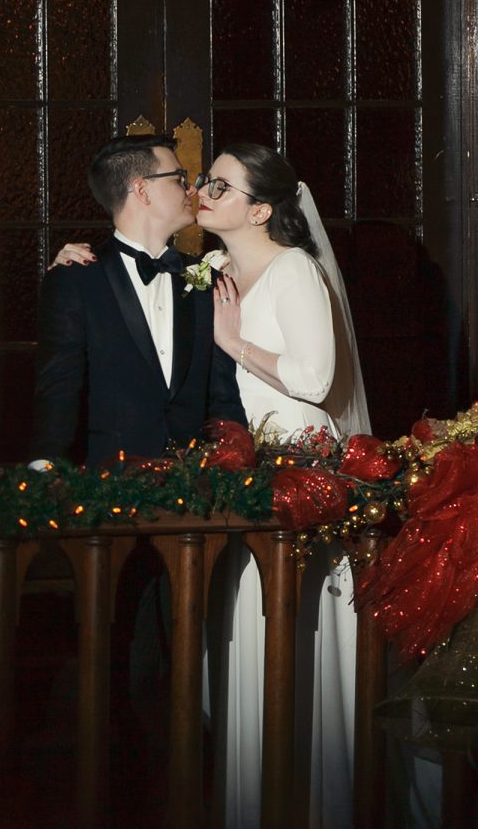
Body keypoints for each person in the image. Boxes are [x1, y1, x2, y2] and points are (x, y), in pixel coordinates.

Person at [51, 142, 369, 827]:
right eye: (194, 179)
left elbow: (313, 379)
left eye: (218, 183)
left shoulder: (293, 271)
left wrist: (235, 346)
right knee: (231, 657)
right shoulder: (211, 272)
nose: (201, 190)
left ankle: (312, 802)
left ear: (260, 208)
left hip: (292, 474)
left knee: (289, 643)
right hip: (225, 488)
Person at [30, 133, 246, 468]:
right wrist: (44, 473)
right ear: (141, 189)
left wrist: (235, 473)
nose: (192, 190)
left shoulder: (208, 281)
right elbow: (59, 389)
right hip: (107, 489)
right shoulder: (75, 280)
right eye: (179, 179)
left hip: (197, 492)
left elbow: (223, 397)